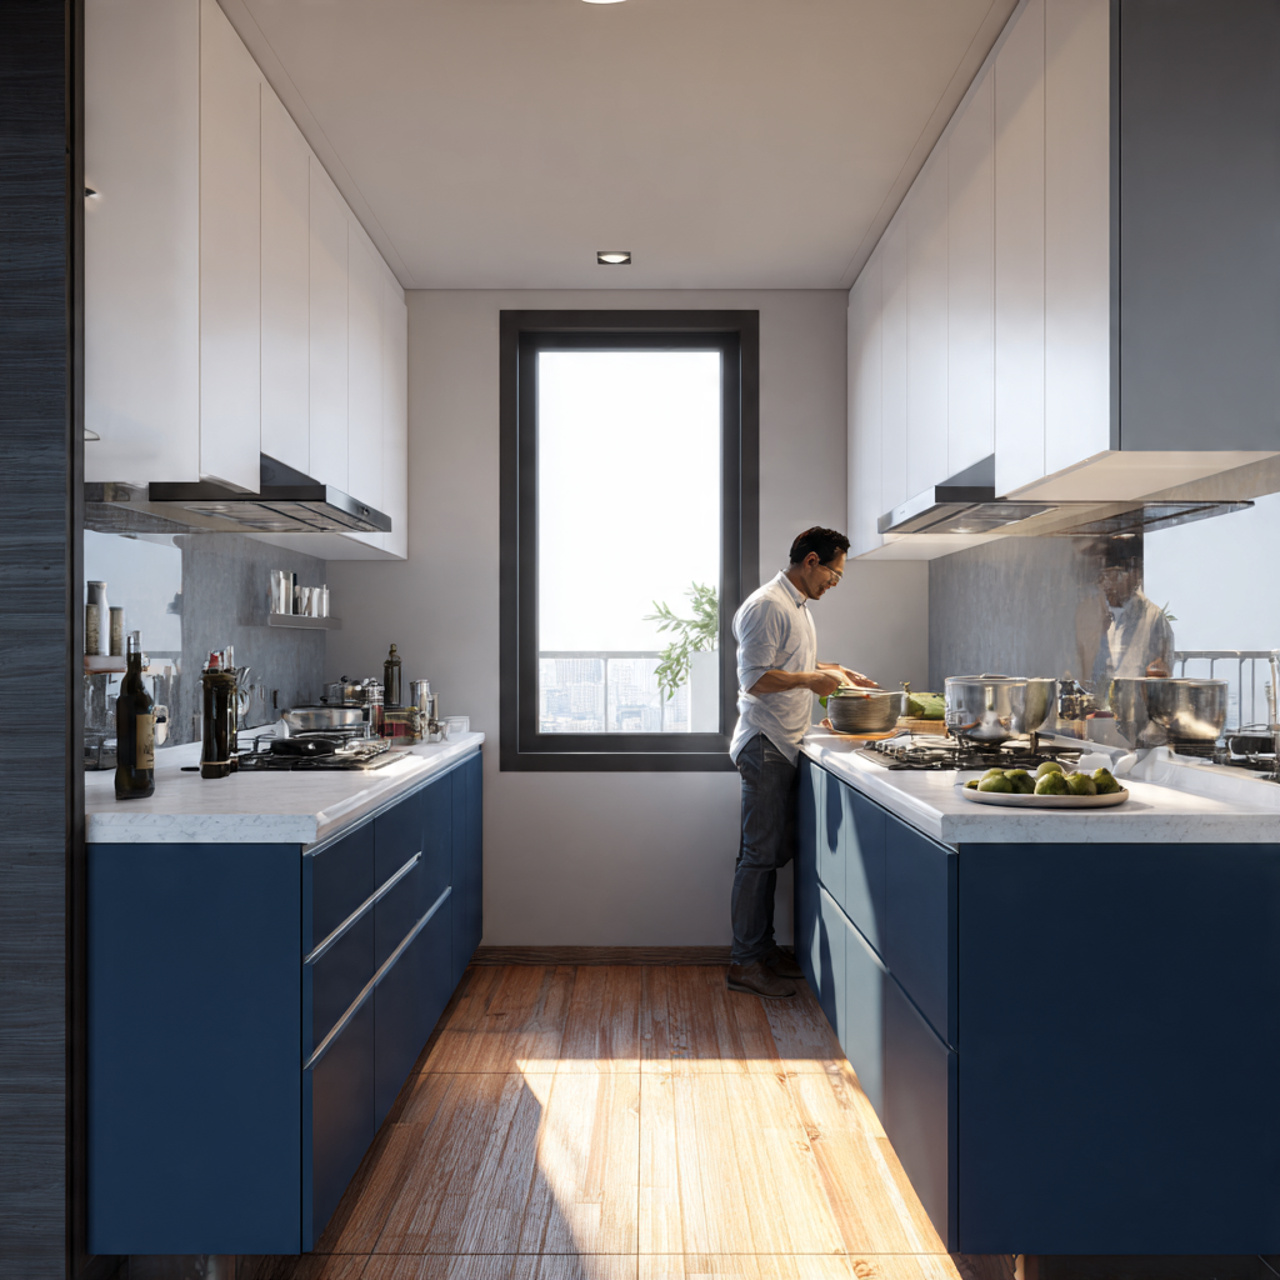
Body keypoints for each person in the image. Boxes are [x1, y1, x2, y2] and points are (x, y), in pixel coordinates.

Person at [726, 526, 876, 999]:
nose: (835, 581)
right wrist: (813, 680)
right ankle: (745, 962)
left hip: (784, 744)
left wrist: (832, 670)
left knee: (769, 856)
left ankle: (764, 951)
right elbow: (755, 679)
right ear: (811, 561)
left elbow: (789, 659)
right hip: (766, 744)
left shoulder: (795, 607)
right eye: (834, 571)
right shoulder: (768, 604)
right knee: (758, 857)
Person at [1074, 533, 1175, 688]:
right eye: (1104, 576)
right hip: (1095, 708)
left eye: (1113, 576)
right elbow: (1082, 669)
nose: (1106, 583)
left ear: (1135, 575)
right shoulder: (1089, 612)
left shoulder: (1153, 619)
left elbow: (1163, 675)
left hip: (1135, 708)